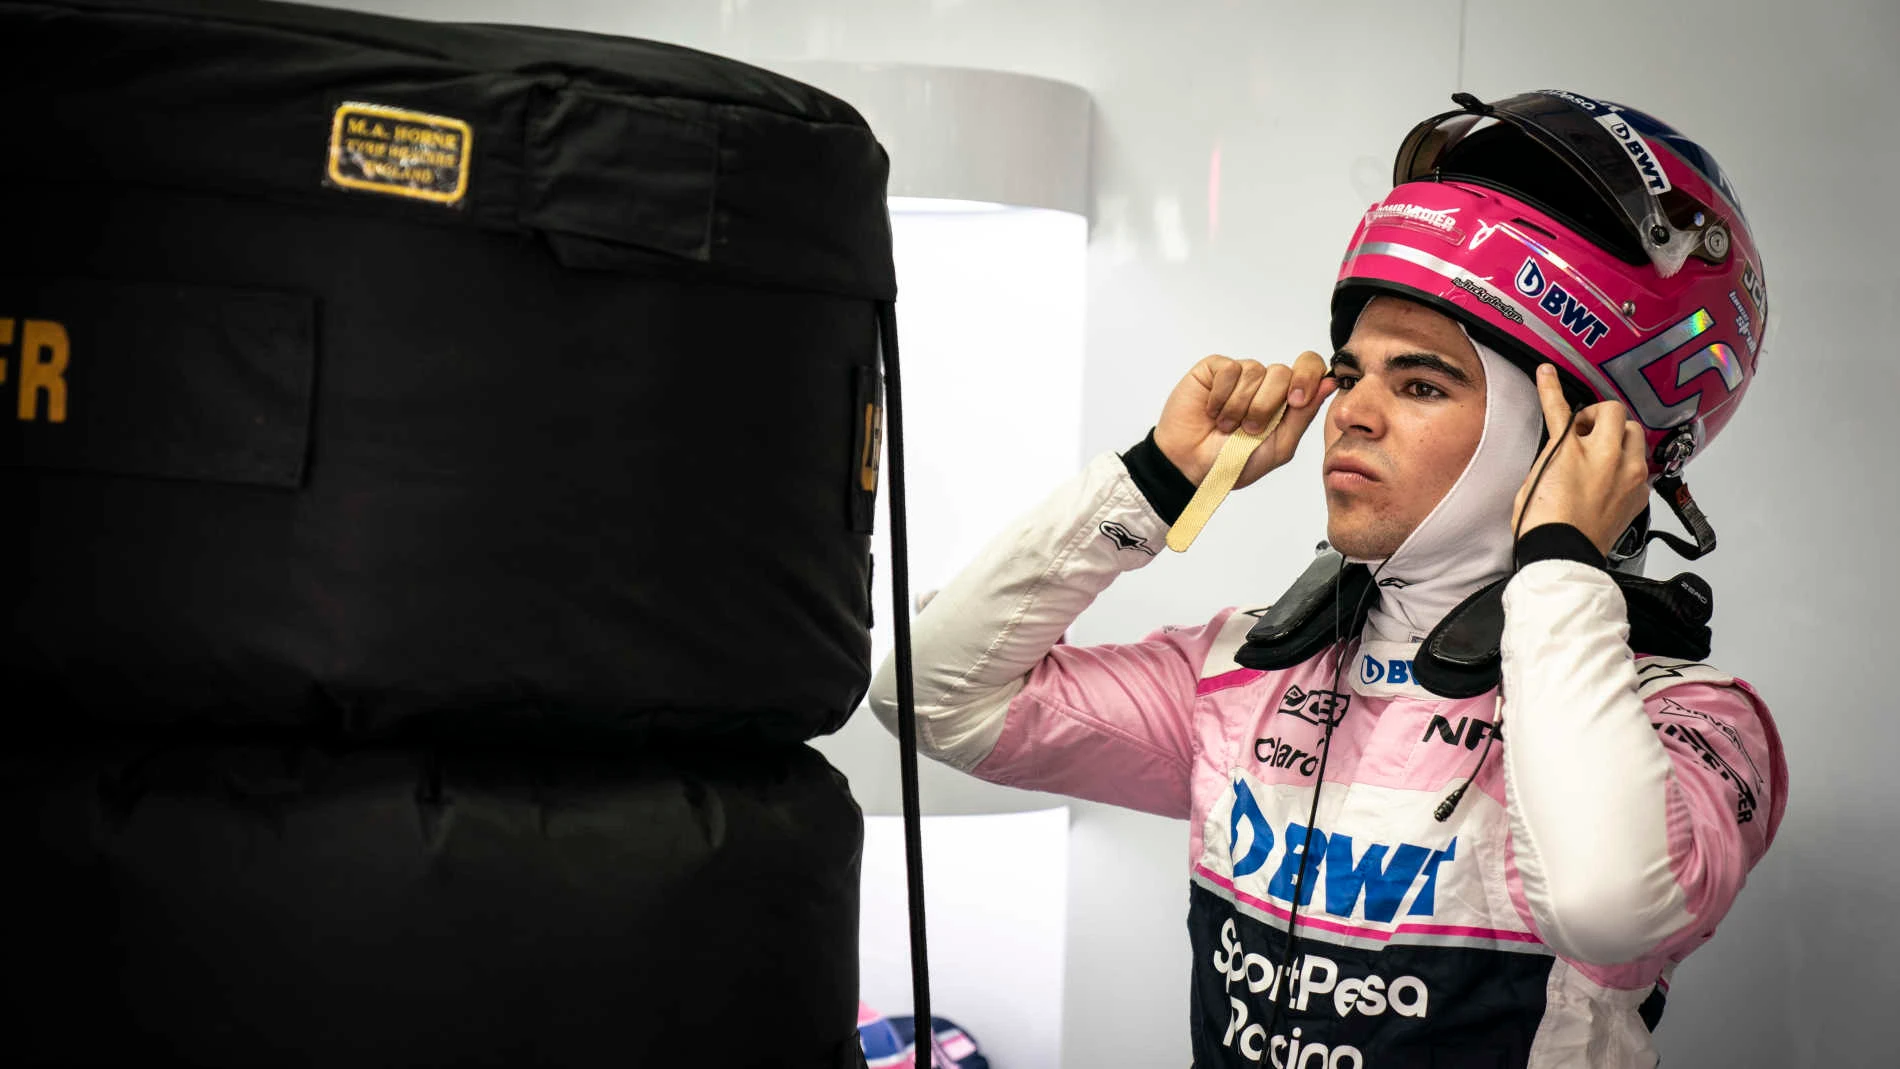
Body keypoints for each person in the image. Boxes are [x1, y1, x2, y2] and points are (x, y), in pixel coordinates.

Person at [868, 90, 1787, 1067]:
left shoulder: (1694, 718)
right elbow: (927, 693)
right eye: (1351, 374)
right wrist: (1153, 482)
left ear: (1579, 439)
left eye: (1421, 382)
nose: (1352, 412)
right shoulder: (1249, 666)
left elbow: (1607, 907)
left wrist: (1558, 563)